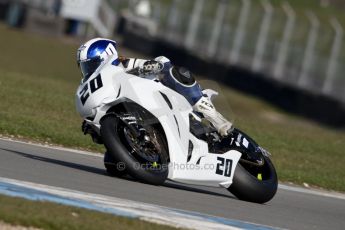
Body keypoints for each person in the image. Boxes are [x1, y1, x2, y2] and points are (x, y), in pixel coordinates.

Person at [77, 38, 233, 137]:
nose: (88, 71)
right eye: (84, 67)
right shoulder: (99, 85)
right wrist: (93, 125)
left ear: (105, 55)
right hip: (140, 119)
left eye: (90, 65)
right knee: (113, 165)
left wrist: (149, 66)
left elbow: (159, 63)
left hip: (165, 102)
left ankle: (215, 118)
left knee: (175, 71)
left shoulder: (123, 63)